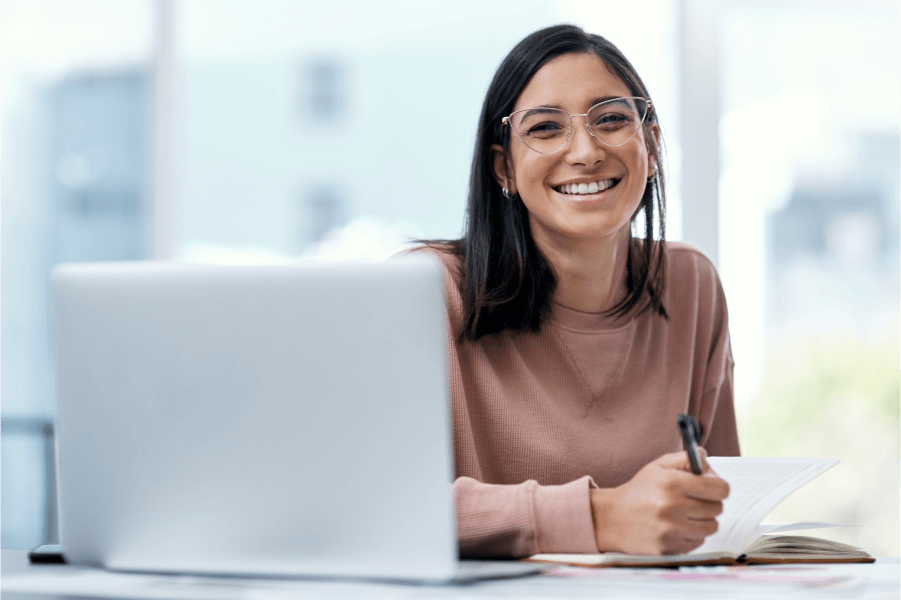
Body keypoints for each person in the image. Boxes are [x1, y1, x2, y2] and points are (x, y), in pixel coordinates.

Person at [414, 24, 739, 558]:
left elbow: (723, 511)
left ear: (651, 146)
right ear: (504, 168)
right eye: (545, 129)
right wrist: (600, 517)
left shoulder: (691, 285)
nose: (585, 152)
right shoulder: (428, 293)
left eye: (611, 119)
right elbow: (377, 508)